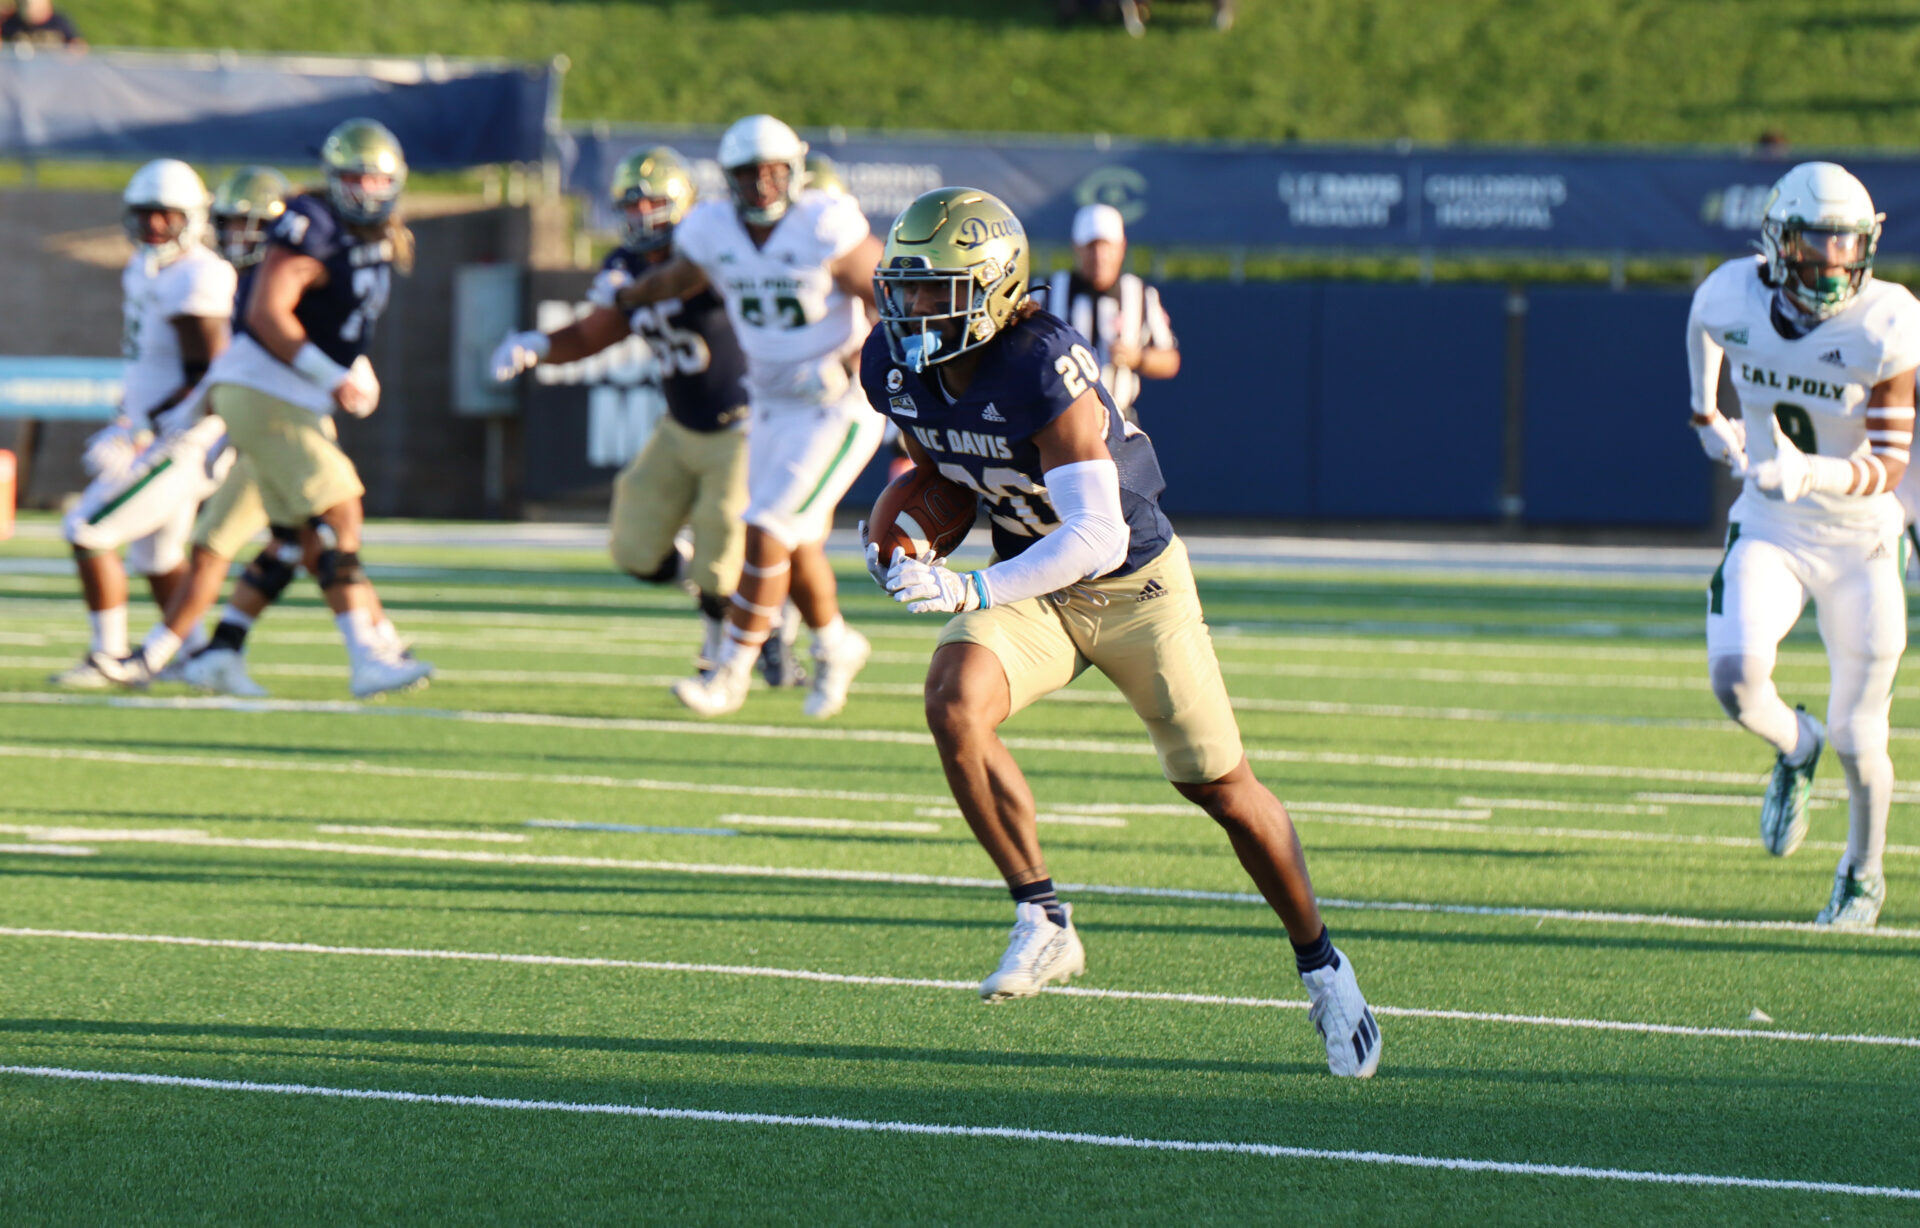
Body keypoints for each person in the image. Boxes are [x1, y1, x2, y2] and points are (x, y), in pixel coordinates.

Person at [860, 187, 1380, 1077]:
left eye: (932, 291)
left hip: (1132, 583)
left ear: (991, 289)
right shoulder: (892, 366)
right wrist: (898, 546)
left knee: (1221, 788)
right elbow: (937, 474)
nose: (908, 312)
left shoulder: (1039, 361)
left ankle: (1325, 968)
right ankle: (1041, 915)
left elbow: (1095, 534)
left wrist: (970, 584)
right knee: (953, 702)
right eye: (902, 290)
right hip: (1035, 587)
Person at [1689, 160, 1920, 929]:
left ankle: (1862, 872)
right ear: (1779, 239)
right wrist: (1705, 412)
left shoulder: (1888, 322)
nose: (1831, 260)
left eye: (1846, 243)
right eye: (1816, 241)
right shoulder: (1732, 292)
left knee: (1863, 737)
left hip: (1860, 539)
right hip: (1772, 524)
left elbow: (1889, 464)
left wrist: (1809, 471)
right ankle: (1795, 747)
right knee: (1735, 679)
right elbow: (1703, 322)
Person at [613, 114, 886, 719]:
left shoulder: (823, 224)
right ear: (728, 178)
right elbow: (682, 278)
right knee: (800, 543)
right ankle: (837, 643)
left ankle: (729, 672)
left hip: (836, 406)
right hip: (770, 406)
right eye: (747, 173)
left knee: (765, 527)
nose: (761, 184)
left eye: (772, 170)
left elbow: (894, 295)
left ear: (795, 169)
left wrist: (856, 353)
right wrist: (628, 296)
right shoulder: (713, 231)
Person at [491, 146, 760, 680]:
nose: (640, 218)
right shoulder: (626, 263)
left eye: (650, 205)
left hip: (744, 423)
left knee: (722, 549)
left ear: (680, 204)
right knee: (635, 549)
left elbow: (682, 281)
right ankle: (745, 602)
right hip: (680, 426)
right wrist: (538, 345)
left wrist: (628, 295)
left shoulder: (706, 248)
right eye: (631, 208)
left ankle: (725, 648)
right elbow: (596, 332)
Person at [196, 118, 433, 699]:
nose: (366, 190)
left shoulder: (373, 237)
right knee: (339, 511)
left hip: (283, 394)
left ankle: (221, 651)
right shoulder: (314, 225)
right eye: (354, 177)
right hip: (267, 391)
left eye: (376, 179)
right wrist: (334, 375)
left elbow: (338, 324)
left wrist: (352, 363)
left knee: (292, 539)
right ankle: (365, 657)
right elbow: (267, 314)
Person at [50, 160, 233, 689]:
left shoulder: (199, 274)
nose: (153, 225)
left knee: (88, 528)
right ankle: (195, 657)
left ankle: (109, 656)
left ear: (192, 218)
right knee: (157, 554)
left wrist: (141, 430)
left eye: (166, 215)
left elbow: (209, 375)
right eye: (145, 214)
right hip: (161, 430)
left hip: (184, 439)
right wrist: (127, 417)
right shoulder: (148, 267)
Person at [1046, 203, 1179, 428]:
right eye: (1091, 246)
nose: (1100, 256)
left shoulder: (1140, 295)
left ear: (1122, 247)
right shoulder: (1049, 292)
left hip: (1118, 422)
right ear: (1076, 247)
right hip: (1060, 422)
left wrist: (1137, 358)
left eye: (1107, 246)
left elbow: (1170, 360)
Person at [1, 0, 83, 48]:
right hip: (21, 72)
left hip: (53, 70)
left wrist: (71, 53)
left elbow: (78, 45)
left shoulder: (58, 21)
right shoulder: (14, 22)